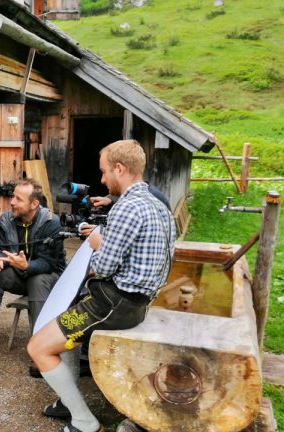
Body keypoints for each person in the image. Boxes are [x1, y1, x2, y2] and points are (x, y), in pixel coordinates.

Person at [27, 140, 176, 432]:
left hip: (112, 304)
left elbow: (104, 267)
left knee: (38, 348)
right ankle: (68, 403)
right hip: (136, 304)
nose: (102, 179)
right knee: (63, 324)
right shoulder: (159, 206)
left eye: (104, 172)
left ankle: (84, 422)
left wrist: (96, 242)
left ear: (120, 169)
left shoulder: (127, 208)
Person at [0, 178, 66, 359]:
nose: (12, 202)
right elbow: (1, 250)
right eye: (13, 197)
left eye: (18, 199)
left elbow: (51, 263)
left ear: (34, 204)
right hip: (20, 274)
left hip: (48, 278)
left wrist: (28, 265)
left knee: (37, 279)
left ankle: (41, 345)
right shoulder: (7, 219)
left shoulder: (51, 222)